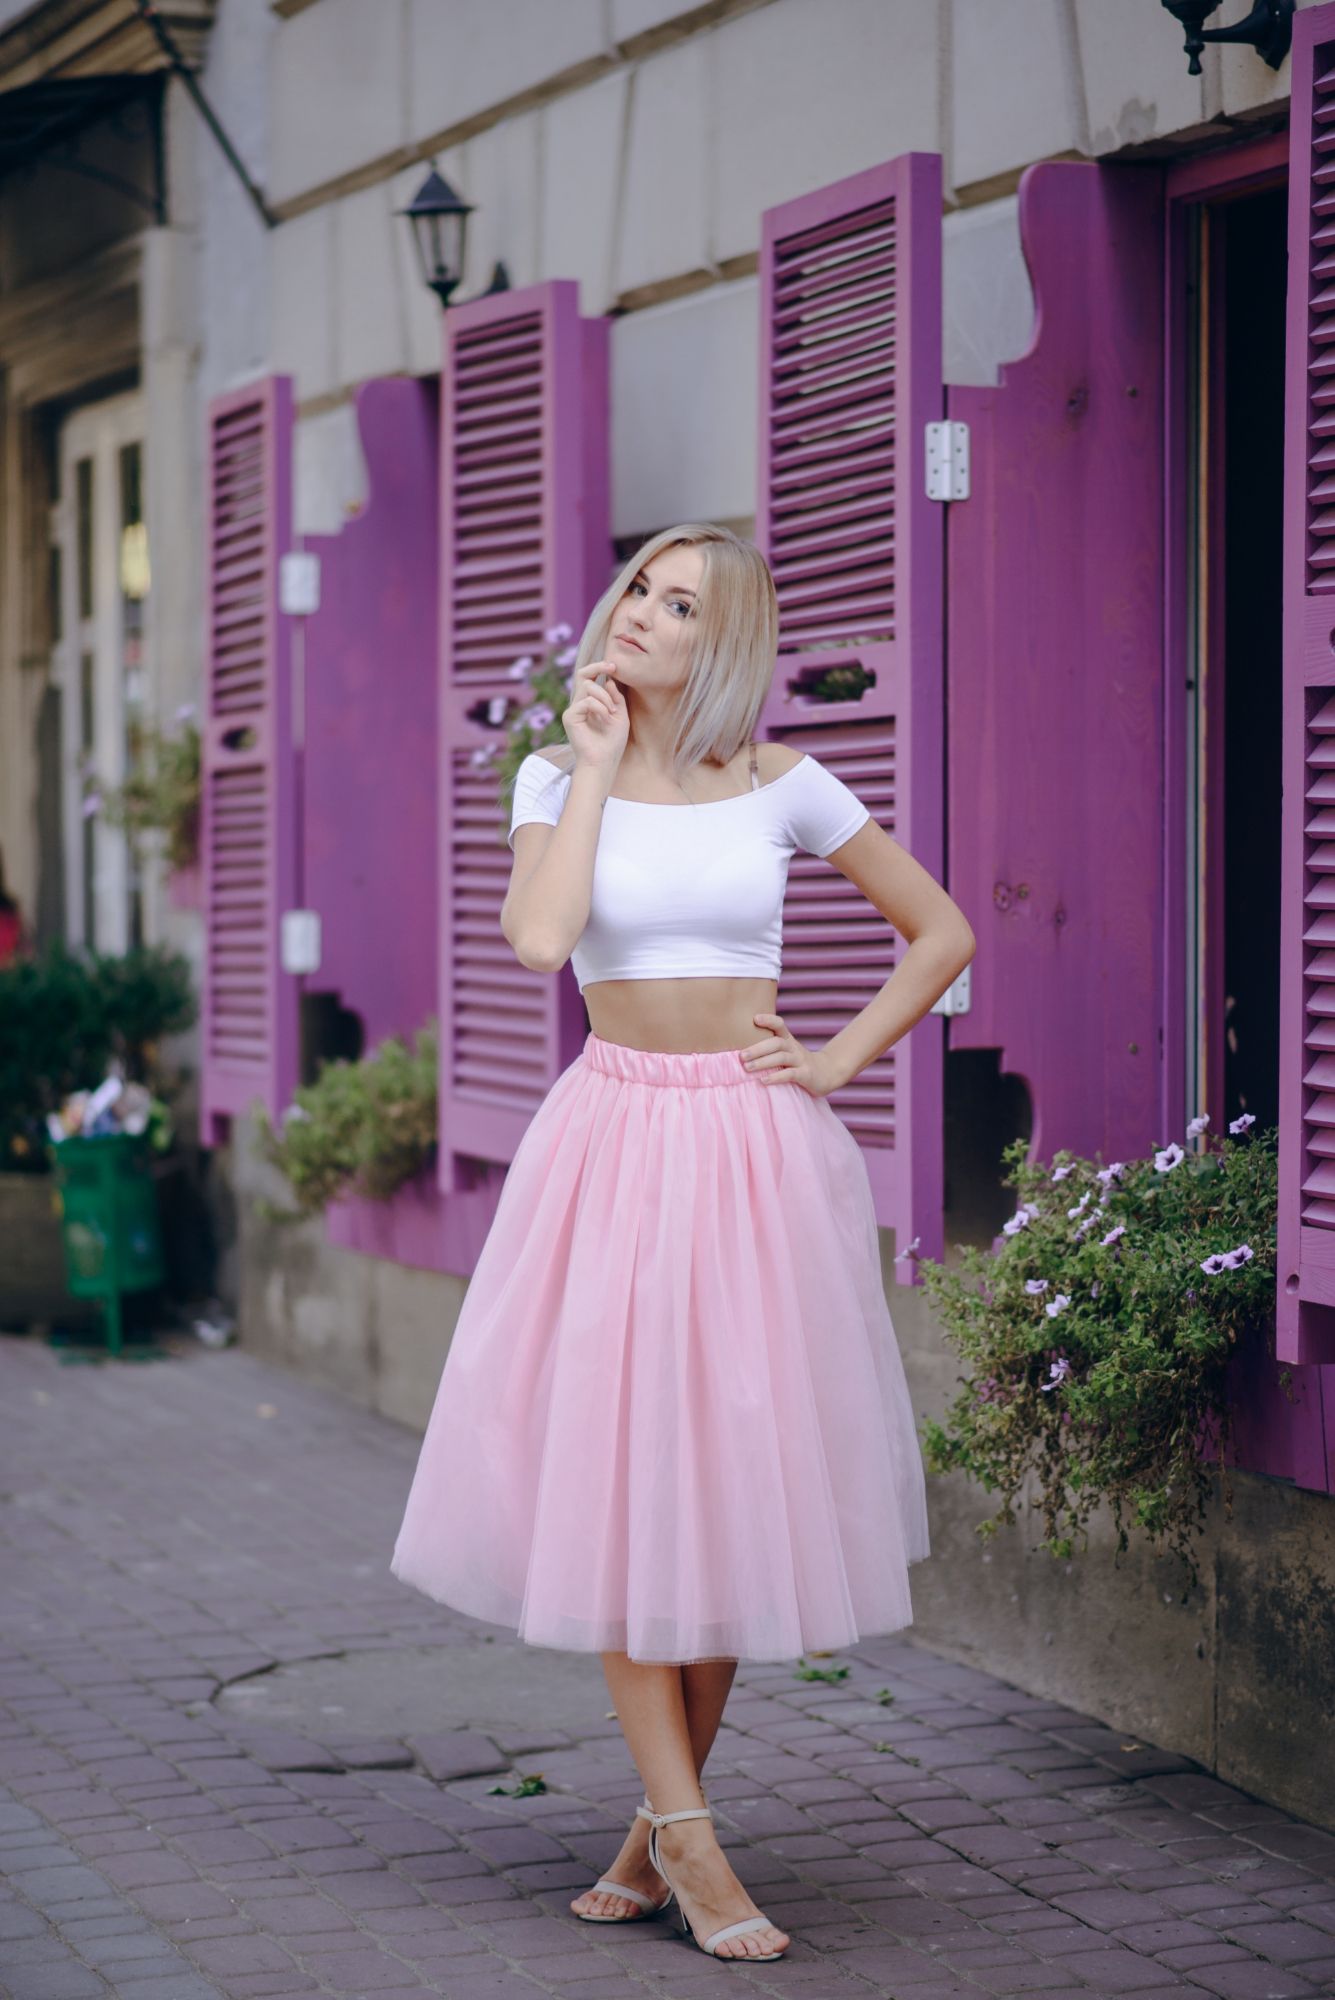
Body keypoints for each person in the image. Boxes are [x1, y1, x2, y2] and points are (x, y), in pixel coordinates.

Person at [391, 523, 976, 1962]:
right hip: (613, 1143)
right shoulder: (555, 773)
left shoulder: (782, 782)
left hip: (755, 1151)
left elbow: (943, 932)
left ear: (726, 643)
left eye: (681, 605)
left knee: (718, 1489)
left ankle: (656, 1829)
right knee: (624, 1479)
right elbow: (539, 940)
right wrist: (590, 762)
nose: (645, 615)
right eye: (641, 590)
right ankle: (697, 1845)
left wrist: (837, 1060)